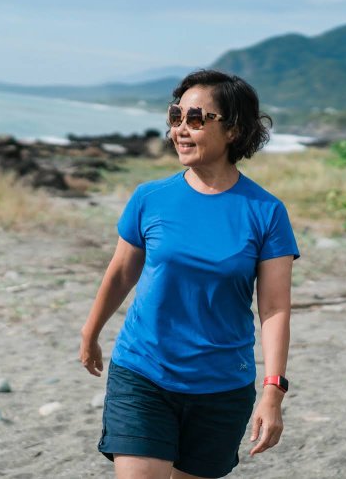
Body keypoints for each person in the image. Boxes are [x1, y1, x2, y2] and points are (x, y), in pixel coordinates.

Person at [79, 69, 300, 479]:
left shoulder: (266, 212)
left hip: (221, 388)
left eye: (196, 119)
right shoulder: (150, 197)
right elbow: (121, 274)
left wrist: (273, 390)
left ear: (232, 130)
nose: (181, 129)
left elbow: (274, 309)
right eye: (175, 116)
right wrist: (90, 332)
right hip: (143, 372)